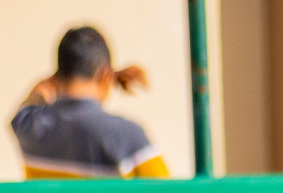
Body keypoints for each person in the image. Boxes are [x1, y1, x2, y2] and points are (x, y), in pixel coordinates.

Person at [12, 26, 168, 179]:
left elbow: (36, 93)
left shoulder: (27, 124)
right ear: (105, 76)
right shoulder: (128, 137)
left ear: (56, 75)